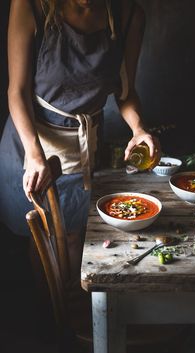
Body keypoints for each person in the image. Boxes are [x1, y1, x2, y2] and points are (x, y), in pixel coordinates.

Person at [0, 0, 160, 276]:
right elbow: (17, 91)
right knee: (44, 238)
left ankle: (80, 312)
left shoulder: (128, 15)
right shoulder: (29, 6)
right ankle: (53, 316)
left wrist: (139, 129)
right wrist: (36, 155)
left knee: (76, 239)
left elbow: (126, 92)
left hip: (83, 147)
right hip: (30, 141)